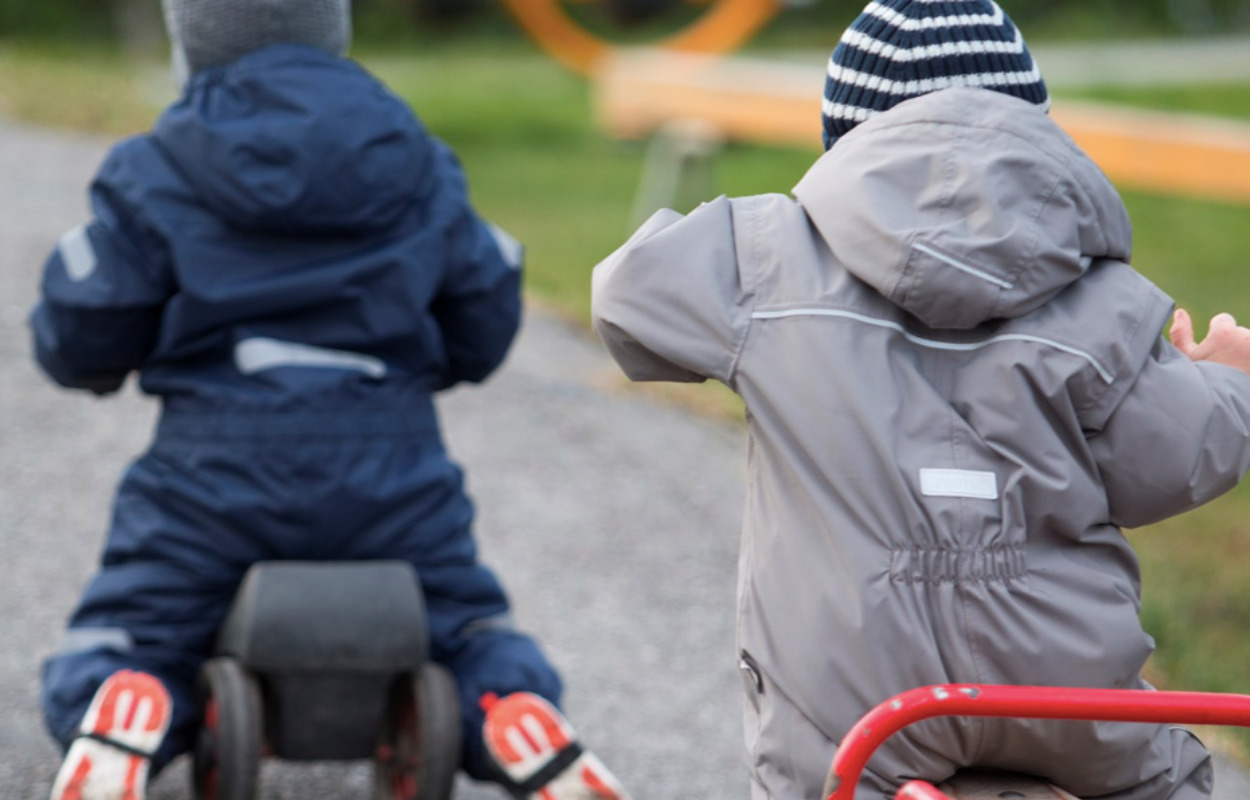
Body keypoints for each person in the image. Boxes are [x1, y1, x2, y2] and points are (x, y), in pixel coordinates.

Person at [591, 1, 1250, 799]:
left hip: (853, 705)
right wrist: (1229, 381)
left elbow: (625, 301)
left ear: (846, 140)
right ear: (1035, 131)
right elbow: (1170, 463)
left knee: (819, 777)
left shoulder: (766, 260)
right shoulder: (1108, 301)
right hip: (1065, 695)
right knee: (1169, 778)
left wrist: (742, 236)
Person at [31, 2, 628, 800]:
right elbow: (484, 303)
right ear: (333, 31)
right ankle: (509, 711)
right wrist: (442, 363)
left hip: (211, 467)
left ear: (190, 42)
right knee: (462, 621)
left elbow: (89, 319)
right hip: (393, 457)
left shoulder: (159, 163)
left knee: (140, 620)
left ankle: (123, 704)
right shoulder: (414, 156)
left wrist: (90, 361)